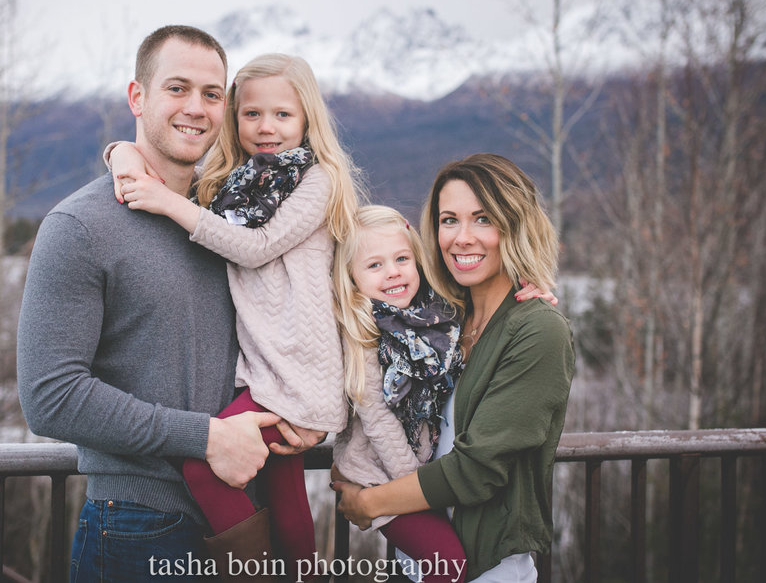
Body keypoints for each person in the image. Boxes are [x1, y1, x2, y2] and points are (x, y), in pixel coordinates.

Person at [17, 26, 314, 583]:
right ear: (137, 97)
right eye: (176, 88)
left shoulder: (239, 214)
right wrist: (204, 436)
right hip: (137, 527)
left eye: (211, 94)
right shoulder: (80, 227)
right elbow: (48, 396)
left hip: (246, 521)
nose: (196, 108)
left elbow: (342, 288)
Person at [106, 52, 362, 579]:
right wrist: (120, 154)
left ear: (308, 118)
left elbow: (255, 246)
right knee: (284, 491)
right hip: (267, 367)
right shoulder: (237, 183)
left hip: (299, 372)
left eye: (283, 115)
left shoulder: (319, 179)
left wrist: (168, 203)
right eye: (251, 114)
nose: (267, 128)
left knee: (204, 465)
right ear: (234, 119)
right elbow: (157, 167)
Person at [333, 154, 575, 582]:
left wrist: (370, 503)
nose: (462, 238)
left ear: (513, 225)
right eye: (449, 220)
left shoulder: (537, 330)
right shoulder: (441, 321)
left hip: (486, 570)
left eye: (483, 219)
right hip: (418, 564)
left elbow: (477, 470)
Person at [331, 205, 468, 583]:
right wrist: (419, 490)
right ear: (352, 278)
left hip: (418, 472)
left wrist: (528, 290)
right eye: (374, 265)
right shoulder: (362, 333)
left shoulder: (435, 317)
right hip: (378, 477)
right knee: (448, 566)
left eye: (402, 258)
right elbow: (377, 420)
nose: (393, 271)